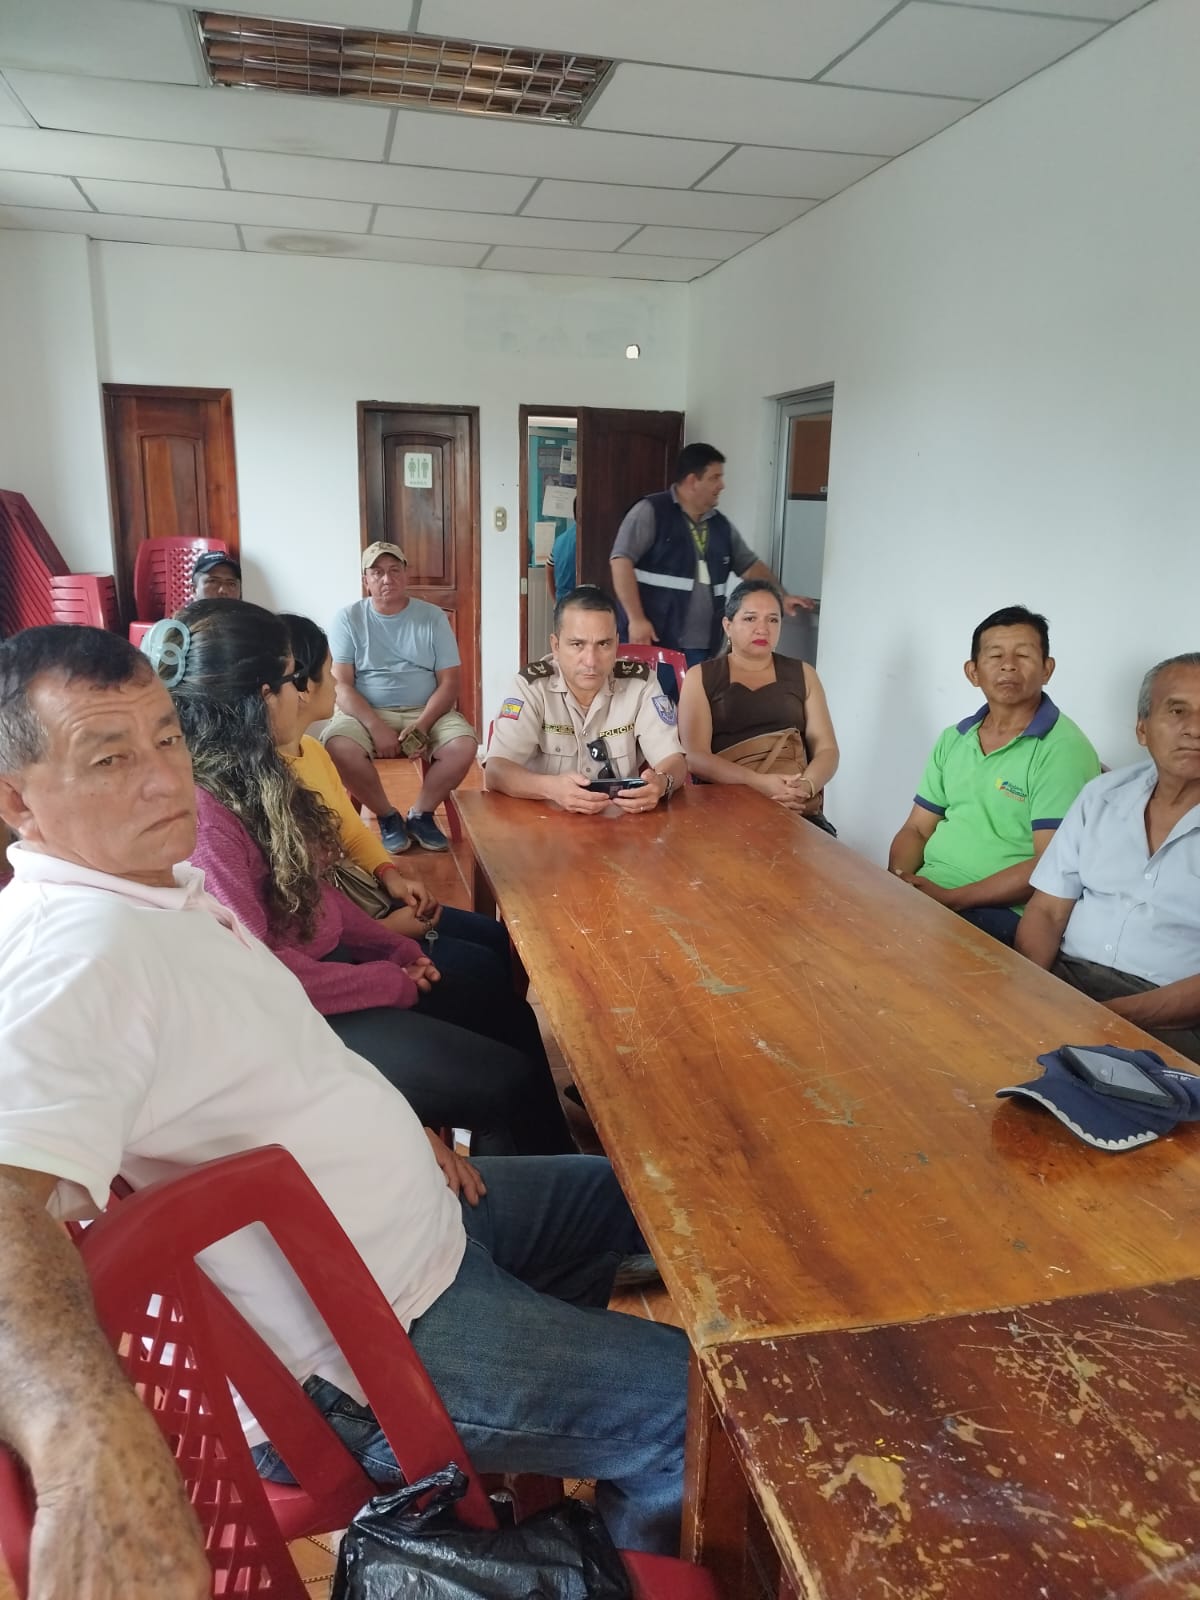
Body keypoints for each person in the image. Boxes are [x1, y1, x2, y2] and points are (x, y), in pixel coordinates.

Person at [0, 625, 687, 1596]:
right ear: (16, 799)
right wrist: (82, 1439)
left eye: (167, 737)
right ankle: (625, 1555)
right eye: (110, 758)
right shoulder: (72, 957)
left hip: (425, 1226)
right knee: (695, 1406)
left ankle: (554, 1450)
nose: (164, 779)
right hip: (369, 1344)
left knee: (643, 1197)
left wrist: (392, 1122)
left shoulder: (152, 890)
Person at [155, 601, 572, 1158]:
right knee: (502, 1081)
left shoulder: (259, 773)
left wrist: (392, 947)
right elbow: (267, 975)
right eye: (293, 679)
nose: (306, 690)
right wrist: (387, 979)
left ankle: (563, 1173)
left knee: (508, 1014)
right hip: (301, 1020)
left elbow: (315, 896)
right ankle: (525, 1197)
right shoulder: (208, 817)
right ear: (262, 697)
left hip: (329, 973)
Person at [280, 611, 508, 959]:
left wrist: (391, 876)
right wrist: (386, 931)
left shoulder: (309, 750)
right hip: (341, 936)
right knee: (485, 965)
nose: (335, 683)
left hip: (360, 900)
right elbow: (302, 921)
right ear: (302, 687)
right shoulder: (268, 782)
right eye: (328, 672)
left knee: (494, 936)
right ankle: (389, 817)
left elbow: (351, 831)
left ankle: (420, 815)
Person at [1016, 652, 1200, 1063]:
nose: (1195, 729)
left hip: (1168, 1016)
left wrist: (1108, 1017)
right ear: (1142, 729)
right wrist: (1033, 988)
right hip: (1064, 977)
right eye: (1177, 711)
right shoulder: (1102, 795)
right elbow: (1047, 909)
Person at [888, 606, 1101, 945]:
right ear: (973, 672)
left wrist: (950, 898)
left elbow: (1050, 866)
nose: (1008, 665)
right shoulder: (954, 739)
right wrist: (898, 880)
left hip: (1000, 911)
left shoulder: (1062, 749)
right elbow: (917, 828)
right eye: (995, 655)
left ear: (1047, 669)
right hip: (931, 893)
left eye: (1023, 655)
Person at [323, 542, 476, 854]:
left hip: (426, 710)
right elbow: (341, 687)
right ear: (366, 580)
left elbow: (449, 683)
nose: (387, 579)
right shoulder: (348, 618)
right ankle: (387, 816)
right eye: (377, 572)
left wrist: (423, 724)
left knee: (463, 746)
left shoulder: (433, 617)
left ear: (406, 575)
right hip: (365, 712)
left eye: (395, 570)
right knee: (337, 746)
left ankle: (421, 814)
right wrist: (375, 726)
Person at [485, 585, 687, 815]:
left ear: (616, 644)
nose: (591, 661)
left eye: (603, 644)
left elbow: (673, 759)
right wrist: (550, 788)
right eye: (577, 644)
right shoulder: (532, 686)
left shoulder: (641, 684)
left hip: (620, 823)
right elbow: (496, 771)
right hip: (544, 820)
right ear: (556, 646)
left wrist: (662, 783)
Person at [609, 443, 814, 669]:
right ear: (692, 481)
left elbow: (750, 566)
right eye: (714, 477)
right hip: (655, 642)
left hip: (703, 649)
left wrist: (781, 596)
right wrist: (636, 619)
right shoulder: (651, 511)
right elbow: (620, 562)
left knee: (696, 694)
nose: (721, 485)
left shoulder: (720, 526)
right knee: (651, 694)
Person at [678, 579, 839, 830]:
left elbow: (827, 749)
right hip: (726, 809)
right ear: (728, 625)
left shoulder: (804, 674)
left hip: (794, 807)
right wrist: (759, 784)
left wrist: (804, 787)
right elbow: (695, 757)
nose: (762, 629)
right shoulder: (700, 676)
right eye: (750, 618)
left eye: (773, 620)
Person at [545, 519, 577, 605]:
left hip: (562, 602)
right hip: (581, 603)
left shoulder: (560, 540)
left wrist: (555, 601)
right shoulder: (589, 539)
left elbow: (549, 567)